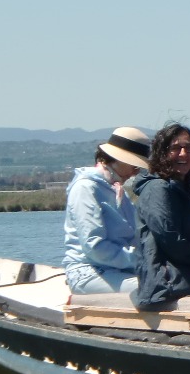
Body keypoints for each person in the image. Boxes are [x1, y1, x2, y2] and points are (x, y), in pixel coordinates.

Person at [62, 126, 149, 294]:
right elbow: (95, 247)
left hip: (120, 270)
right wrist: (140, 259)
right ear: (117, 159)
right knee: (155, 289)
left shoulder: (117, 191)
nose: (135, 172)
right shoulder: (85, 188)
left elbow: (134, 237)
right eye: (134, 165)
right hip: (88, 272)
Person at [128, 123, 190, 311]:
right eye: (176, 148)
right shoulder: (157, 189)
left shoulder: (176, 189)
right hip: (165, 284)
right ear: (162, 153)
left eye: (188, 148)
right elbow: (171, 240)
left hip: (179, 277)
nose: (183, 154)